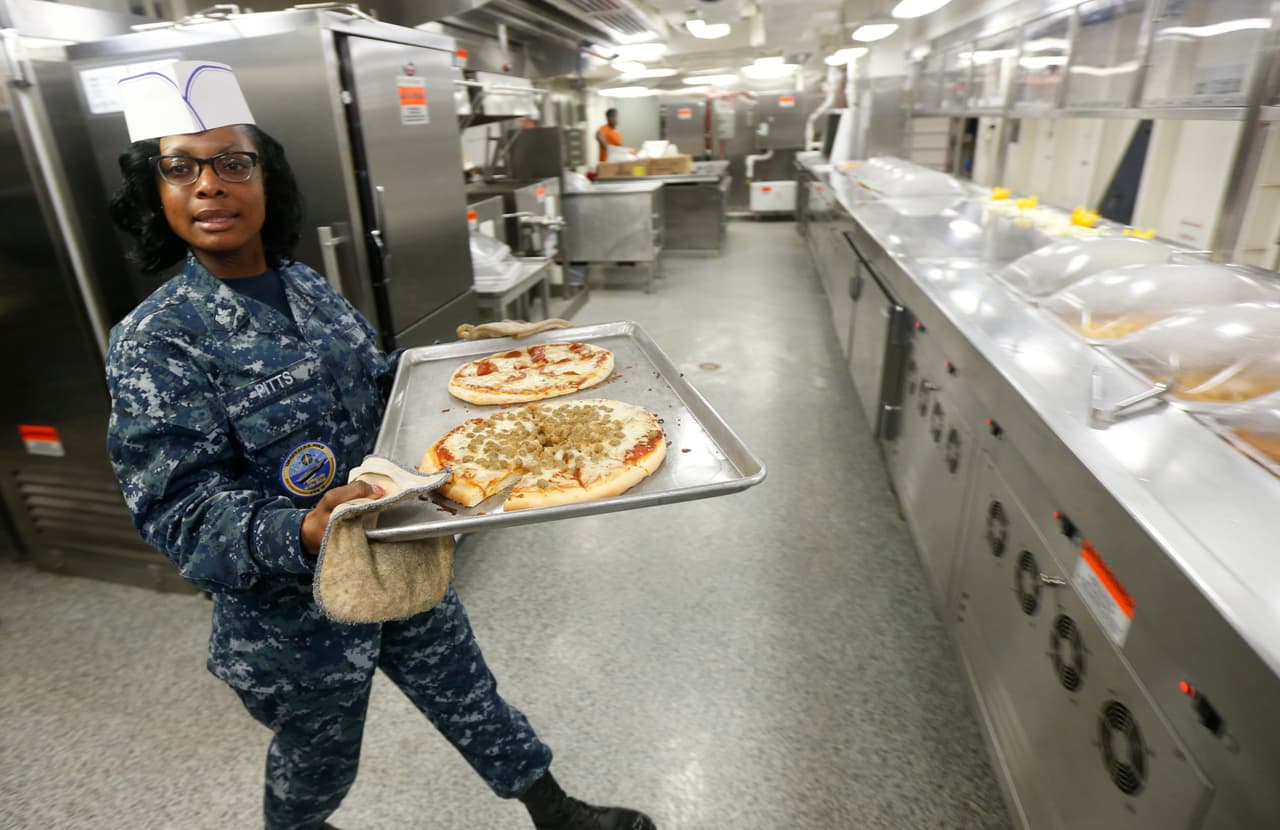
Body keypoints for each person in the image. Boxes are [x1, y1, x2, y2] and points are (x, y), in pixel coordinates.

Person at [104, 60, 656, 830]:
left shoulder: (305, 286)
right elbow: (179, 515)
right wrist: (303, 525)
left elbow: (378, 386)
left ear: (267, 181)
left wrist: (483, 372)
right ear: (155, 195)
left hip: (398, 548)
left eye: (233, 163)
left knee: (470, 691)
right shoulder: (156, 342)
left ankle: (555, 810)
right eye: (179, 169)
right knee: (315, 765)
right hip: (293, 624)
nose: (208, 186)